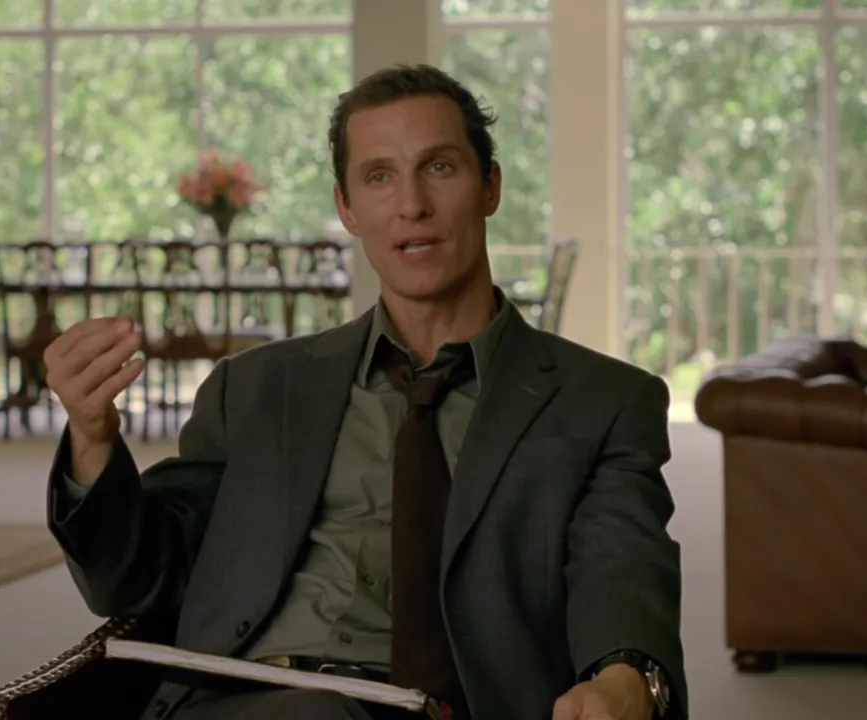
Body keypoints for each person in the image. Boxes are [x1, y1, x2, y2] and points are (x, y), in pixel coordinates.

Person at [44, 64, 686, 720]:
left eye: (439, 167)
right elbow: (136, 578)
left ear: (490, 186)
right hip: (251, 702)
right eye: (379, 177)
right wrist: (93, 439)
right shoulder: (257, 387)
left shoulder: (602, 401)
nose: (412, 204)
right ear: (346, 208)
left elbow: (623, 564)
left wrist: (626, 675)